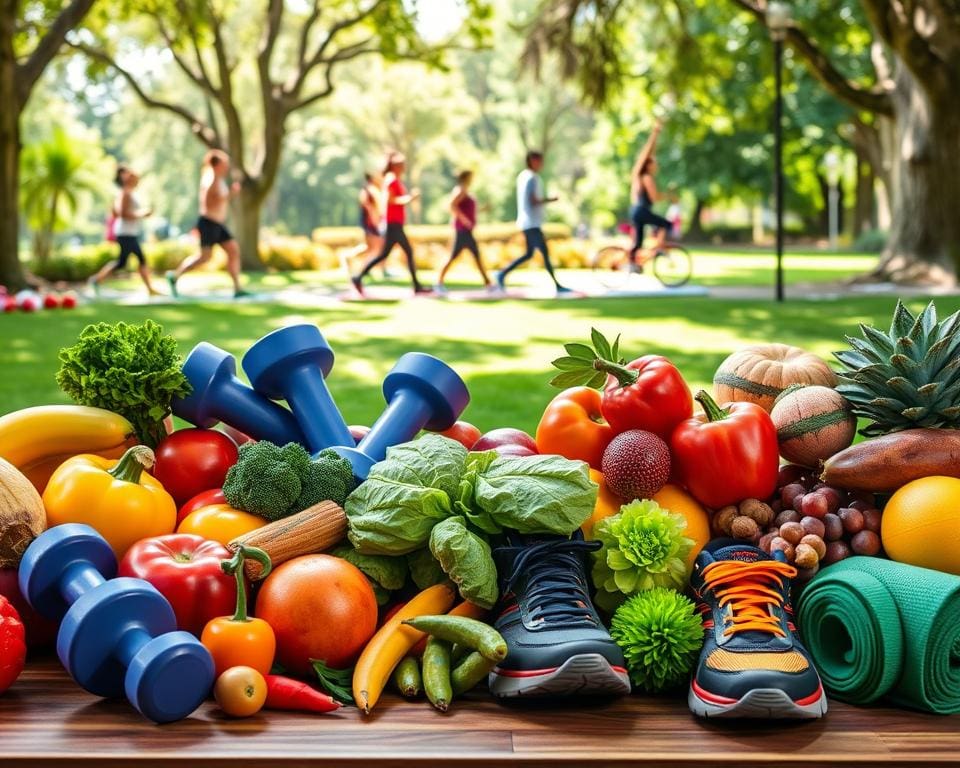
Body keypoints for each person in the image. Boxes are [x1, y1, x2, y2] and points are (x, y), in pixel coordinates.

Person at [166, 149, 247, 298]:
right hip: (208, 223)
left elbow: (220, 200)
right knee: (204, 257)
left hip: (218, 224)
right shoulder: (210, 179)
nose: (227, 166)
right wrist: (230, 194)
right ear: (217, 164)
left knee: (233, 250)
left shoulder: (218, 179)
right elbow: (209, 203)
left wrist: (229, 195)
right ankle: (175, 276)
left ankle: (237, 288)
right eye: (224, 163)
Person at [351, 152, 427, 296]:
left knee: (384, 255)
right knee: (406, 252)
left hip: (395, 223)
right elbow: (391, 201)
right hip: (393, 224)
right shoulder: (391, 180)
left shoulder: (394, 179)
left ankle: (358, 277)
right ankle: (417, 286)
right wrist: (410, 198)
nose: (404, 167)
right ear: (395, 166)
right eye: (402, 165)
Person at [496, 150, 569, 294]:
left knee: (529, 254)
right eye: (539, 161)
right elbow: (533, 200)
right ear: (532, 161)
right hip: (531, 223)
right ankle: (557, 285)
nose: (541, 164)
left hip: (528, 222)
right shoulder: (531, 178)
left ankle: (502, 274)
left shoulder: (524, 176)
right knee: (545, 253)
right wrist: (550, 200)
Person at [89, 165, 158, 295]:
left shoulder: (129, 193)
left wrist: (141, 214)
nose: (138, 181)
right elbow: (122, 214)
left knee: (124, 262)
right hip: (125, 232)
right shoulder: (125, 193)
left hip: (129, 232)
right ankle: (150, 288)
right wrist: (142, 214)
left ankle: (96, 280)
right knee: (136, 260)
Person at [436, 170, 491, 293]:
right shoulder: (460, 190)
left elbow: (469, 210)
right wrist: (464, 220)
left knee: (476, 256)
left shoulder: (465, 190)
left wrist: (483, 209)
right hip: (462, 231)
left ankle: (488, 283)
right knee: (454, 256)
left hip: (467, 231)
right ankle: (438, 282)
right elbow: (452, 205)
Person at [629, 120, 672, 265]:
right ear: (649, 165)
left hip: (635, 211)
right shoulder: (646, 178)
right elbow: (654, 198)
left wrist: (655, 134)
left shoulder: (639, 177)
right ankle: (659, 248)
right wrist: (669, 196)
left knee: (638, 245)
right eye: (654, 162)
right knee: (666, 224)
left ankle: (631, 263)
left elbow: (648, 153)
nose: (656, 164)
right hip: (642, 211)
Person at [342, 172, 386, 277]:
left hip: (371, 222)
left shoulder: (370, 190)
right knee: (376, 246)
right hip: (370, 223)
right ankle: (355, 261)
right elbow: (370, 208)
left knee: (372, 247)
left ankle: (364, 267)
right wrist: (375, 222)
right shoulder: (369, 191)